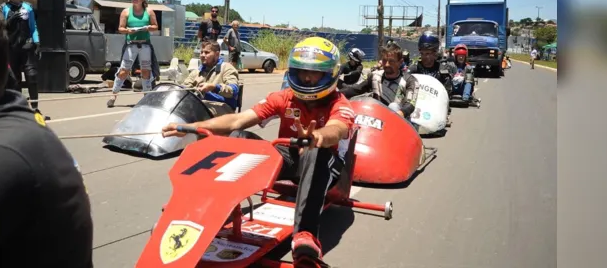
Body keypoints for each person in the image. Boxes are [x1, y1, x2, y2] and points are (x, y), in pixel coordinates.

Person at [162, 37, 355, 265]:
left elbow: (338, 128)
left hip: (325, 164)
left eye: (315, 73)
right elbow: (238, 120)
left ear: (330, 74)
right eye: (302, 71)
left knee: (316, 152)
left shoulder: (340, 103)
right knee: (236, 138)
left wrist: (318, 136)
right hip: (289, 156)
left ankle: (306, 235)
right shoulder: (284, 98)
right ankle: (196, 215)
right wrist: (192, 127)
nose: (307, 77)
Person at [0, 0, 93, 268]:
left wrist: (36, 40)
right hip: (9, 52)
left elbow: (32, 26)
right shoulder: (5, 9)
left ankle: (36, 102)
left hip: (20, 47)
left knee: (31, 75)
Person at [107, 0, 159, 107]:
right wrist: (128, 31)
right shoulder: (126, 12)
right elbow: (120, 28)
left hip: (145, 44)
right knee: (124, 71)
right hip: (131, 45)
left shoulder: (149, 11)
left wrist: (147, 28)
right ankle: (113, 96)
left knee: (146, 71)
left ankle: (147, 97)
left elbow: (155, 26)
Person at [340, 42, 419, 120]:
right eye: (384, 60)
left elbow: (410, 104)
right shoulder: (374, 76)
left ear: (400, 62)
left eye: (391, 61)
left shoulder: (410, 81)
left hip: (399, 122)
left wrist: (400, 114)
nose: (387, 64)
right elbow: (356, 90)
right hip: (376, 120)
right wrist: (335, 94)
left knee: (393, 106)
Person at [182, 40, 241, 116]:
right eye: (201, 52)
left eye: (207, 52)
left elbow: (233, 90)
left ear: (217, 54)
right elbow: (184, 87)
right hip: (201, 103)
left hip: (224, 107)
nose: (203, 55)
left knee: (198, 110)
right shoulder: (197, 71)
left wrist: (213, 87)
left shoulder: (227, 68)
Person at [407, 32, 456, 97]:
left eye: (427, 53)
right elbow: (405, 86)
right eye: (422, 53)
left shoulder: (442, 70)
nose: (424, 57)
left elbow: (447, 91)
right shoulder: (414, 68)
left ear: (435, 53)